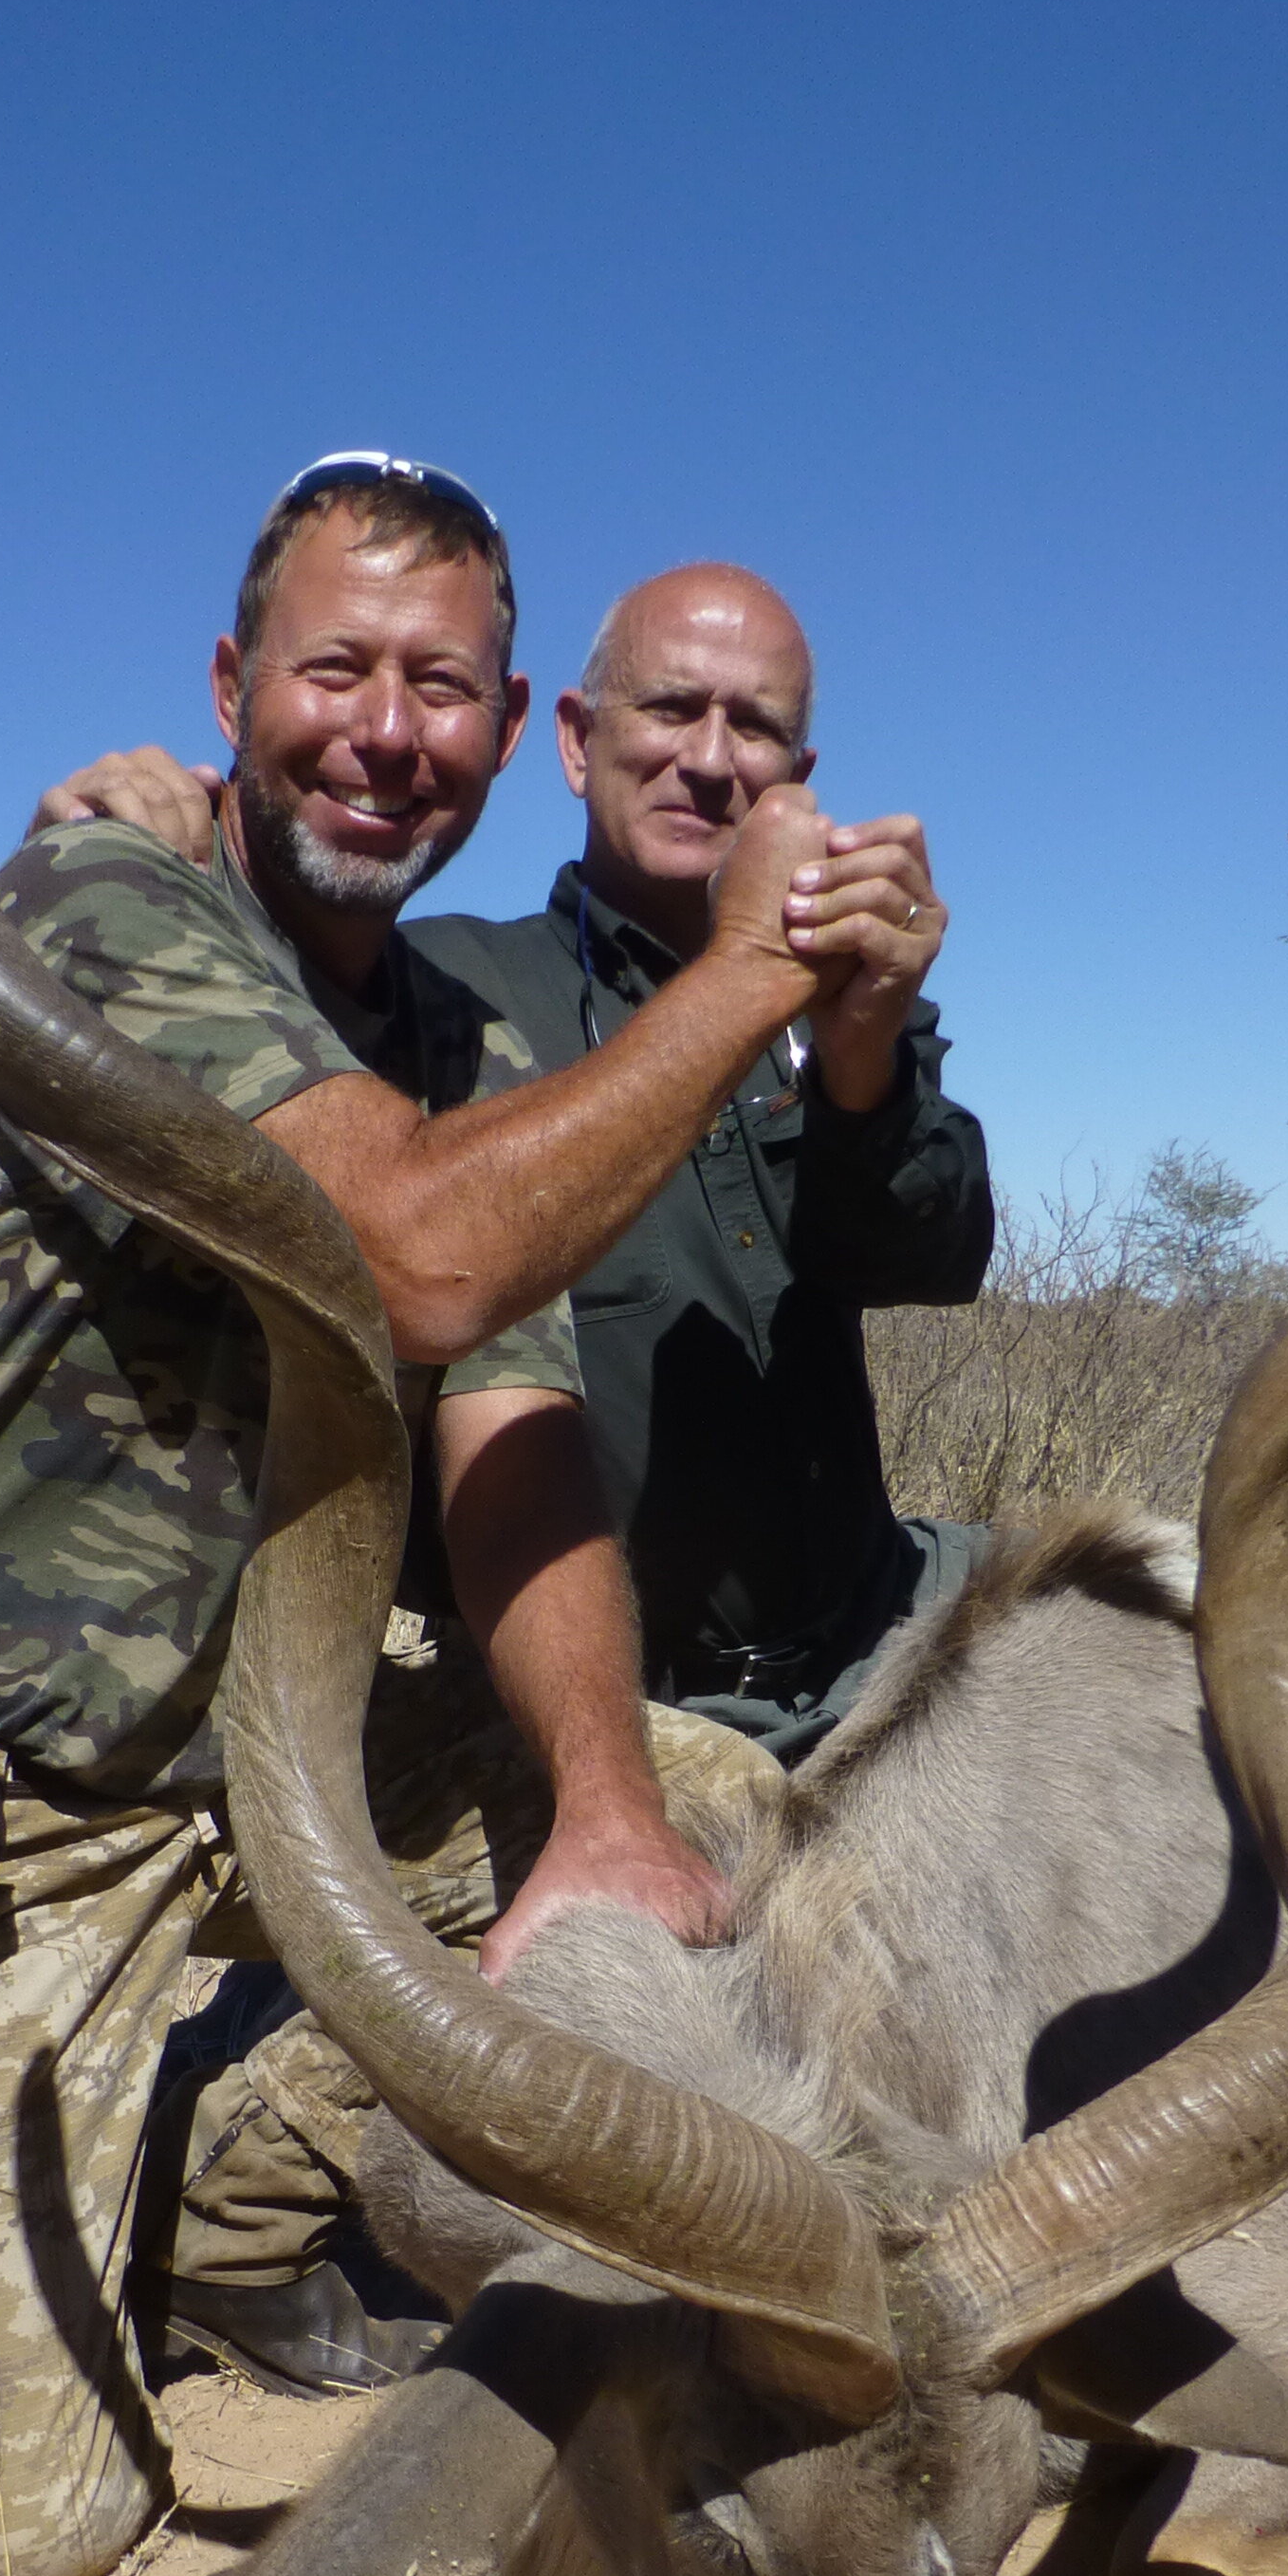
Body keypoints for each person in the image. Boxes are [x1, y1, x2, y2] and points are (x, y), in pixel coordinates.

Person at [0, 455, 929, 2576]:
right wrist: (754, 976)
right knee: (35, 2532)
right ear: (232, 685)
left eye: (441, 688)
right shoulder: (105, 907)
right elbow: (422, 1261)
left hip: (250, 1772)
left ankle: (196, 2191)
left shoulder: (439, 1025)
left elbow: (507, 1409)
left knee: (706, 1798)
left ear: (509, 736)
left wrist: (599, 1809)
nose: (383, 728)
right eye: (334, 668)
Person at [406, 566, 992, 1760]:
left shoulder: (844, 989)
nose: (712, 759)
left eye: (757, 726)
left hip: (886, 1644)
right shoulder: (440, 989)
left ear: (799, 784)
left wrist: (866, 1048)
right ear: (575, 742)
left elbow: (937, 1258)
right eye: (671, 709)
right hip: (605, 1719)